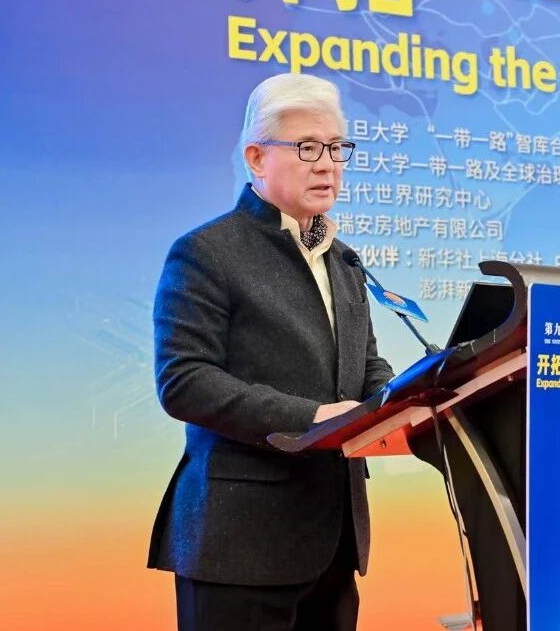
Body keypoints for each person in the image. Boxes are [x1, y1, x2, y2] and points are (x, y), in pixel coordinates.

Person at [148, 73, 394, 630]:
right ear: (257, 158)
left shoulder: (343, 259)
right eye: (307, 148)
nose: (327, 165)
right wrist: (313, 418)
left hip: (333, 539)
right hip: (241, 543)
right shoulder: (207, 252)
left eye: (336, 148)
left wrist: (403, 402)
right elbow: (185, 380)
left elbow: (365, 365)